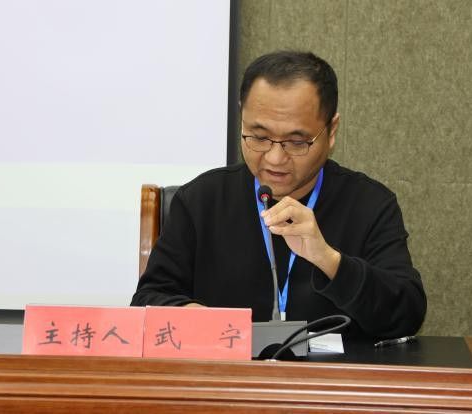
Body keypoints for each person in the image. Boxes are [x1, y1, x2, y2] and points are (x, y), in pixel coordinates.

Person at [132, 51, 426, 339]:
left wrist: (329, 260)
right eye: (259, 137)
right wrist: (194, 317)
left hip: (330, 373)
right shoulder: (201, 201)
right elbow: (147, 300)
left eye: (296, 142)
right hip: (228, 370)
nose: (274, 158)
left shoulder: (370, 205)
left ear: (331, 131)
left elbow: (407, 315)